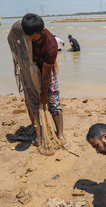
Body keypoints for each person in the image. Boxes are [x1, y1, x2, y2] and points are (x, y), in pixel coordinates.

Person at [21, 13, 70, 149]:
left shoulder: (51, 45)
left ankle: (60, 134)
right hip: (28, 70)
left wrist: (44, 95)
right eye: (28, 36)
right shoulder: (24, 35)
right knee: (32, 104)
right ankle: (39, 133)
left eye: (33, 36)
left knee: (53, 101)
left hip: (45, 71)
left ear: (42, 31)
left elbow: (46, 75)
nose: (29, 39)